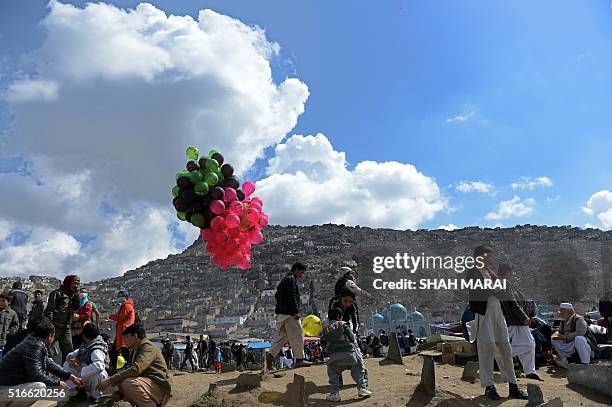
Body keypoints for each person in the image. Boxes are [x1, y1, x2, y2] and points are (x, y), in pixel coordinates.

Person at [466, 245, 528, 400]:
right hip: (484, 313)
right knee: (487, 349)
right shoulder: (473, 272)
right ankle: (489, 387)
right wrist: (494, 288)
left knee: (505, 348)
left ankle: (513, 386)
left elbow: (500, 291)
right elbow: (476, 292)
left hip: (497, 313)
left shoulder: (490, 272)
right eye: (487, 256)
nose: (490, 259)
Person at [0, 321, 83, 406]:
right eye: (54, 336)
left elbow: (49, 364)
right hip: (4, 391)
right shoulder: (34, 346)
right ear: (50, 336)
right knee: (39, 387)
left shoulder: (33, 342)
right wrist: (57, 383)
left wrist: (70, 376)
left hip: (8, 388)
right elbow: (36, 375)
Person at [97, 323, 172, 407]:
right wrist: (119, 393)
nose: (124, 340)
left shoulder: (147, 347)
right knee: (123, 381)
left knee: (129, 383)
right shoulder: (136, 349)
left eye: (127, 337)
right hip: (150, 386)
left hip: (160, 388)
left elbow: (136, 370)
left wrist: (109, 380)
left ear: (135, 336)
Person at [497, 264, 542, 381]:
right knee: (528, 344)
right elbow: (512, 303)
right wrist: (524, 317)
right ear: (507, 272)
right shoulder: (504, 284)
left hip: (516, 321)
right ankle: (501, 357)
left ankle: (530, 371)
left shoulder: (502, 284)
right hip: (514, 320)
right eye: (511, 272)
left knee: (530, 344)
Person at [267, 262, 312, 369]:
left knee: (282, 337)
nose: (302, 275)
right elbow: (291, 296)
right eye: (301, 272)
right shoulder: (291, 279)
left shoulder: (284, 280)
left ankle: (269, 356)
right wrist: (295, 311)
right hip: (289, 314)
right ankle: (300, 359)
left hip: (282, 313)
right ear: (296, 269)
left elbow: (278, 296)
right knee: (298, 334)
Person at [321, 307, 372, 402]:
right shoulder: (343, 324)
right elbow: (352, 338)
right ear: (338, 316)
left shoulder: (325, 329)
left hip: (334, 359)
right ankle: (362, 388)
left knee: (332, 374)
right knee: (359, 368)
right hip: (350, 355)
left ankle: (334, 394)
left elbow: (323, 343)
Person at [63, 323, 109, 402]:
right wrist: (72, 359)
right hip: (85, 375)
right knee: (67, 365)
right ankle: (77, 393)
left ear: (85, 335)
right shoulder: (88, 344)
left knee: (97, 373)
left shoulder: (96, 350)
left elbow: (99, 366)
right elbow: (74, 354)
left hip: (97, 378)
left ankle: (95, 396)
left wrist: (81, 369)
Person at [44, 274, 81, 363]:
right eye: (74, 283)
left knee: (69, 352)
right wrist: (49, 326)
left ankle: (65, 373)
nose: (76, 286)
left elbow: (77, 308)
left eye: (78, 283)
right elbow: (49, 310)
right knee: (45, 347)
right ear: (69, 283)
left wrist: (77, 296)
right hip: (55, 326)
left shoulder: (73, 296)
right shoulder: (57, 293)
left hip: (66, 327)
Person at [551, 303, 598, 368]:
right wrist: (555, 334)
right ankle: (565, 359)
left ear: (568, 312)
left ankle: (585, 363)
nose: (560, 314)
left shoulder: (579, 319)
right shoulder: (563, 321)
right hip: (570, 344)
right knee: (553, 340)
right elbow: (559, 332)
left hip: (583, 345)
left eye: (562, 312)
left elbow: (580, 332)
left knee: (579, 339)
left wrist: (565, 337)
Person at [108, 290, 135, 373]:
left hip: (124, 332)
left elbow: (120, 318)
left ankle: (126, 367)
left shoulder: (126, 306)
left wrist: (111, 316)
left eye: (122, 295)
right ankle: (114, 367)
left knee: (124, 350)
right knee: (114, 350)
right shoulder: (125, 306)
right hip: (121, 332)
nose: (120, 297)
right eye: (119, 296)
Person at [0, 292, 19, 358]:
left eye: (3, 301)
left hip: (2, 342)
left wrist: (7, 332)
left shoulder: (12, 313)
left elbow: (16, 326)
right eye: (0, 300)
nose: (1, 302)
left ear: (9, 302)